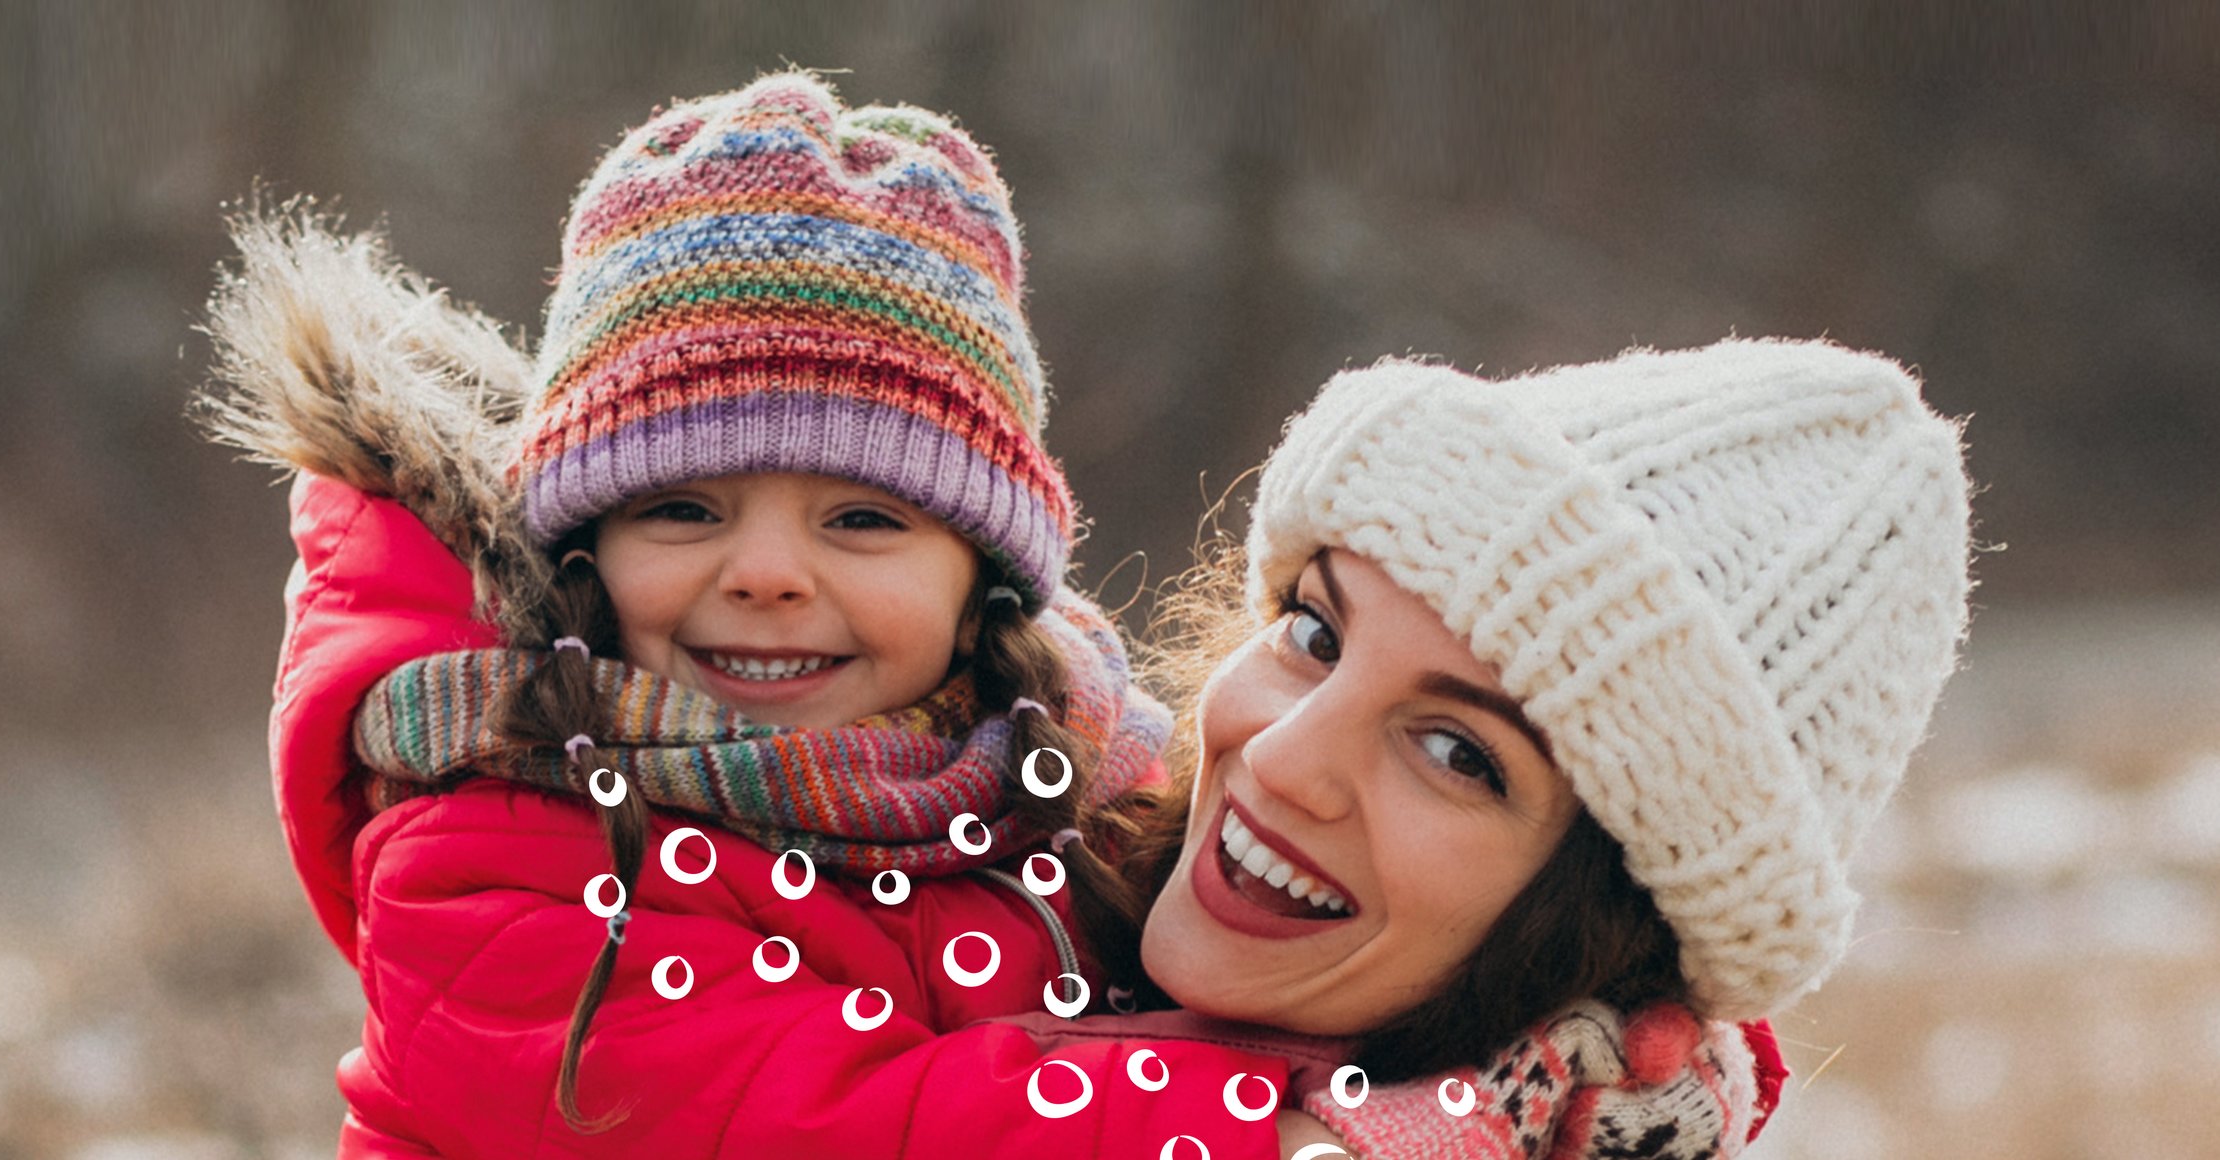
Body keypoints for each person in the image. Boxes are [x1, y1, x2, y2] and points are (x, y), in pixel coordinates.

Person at [201, 71, 1333, 1156]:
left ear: (979, 575)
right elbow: (837, 1122)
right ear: (584, 550)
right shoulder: (496, 850)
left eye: (862, 520)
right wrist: (1277, 1130)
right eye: (686, 509)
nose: (768, 573)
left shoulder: (1066, 773)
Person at [1104, 340, 1973, 1156]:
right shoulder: (1012, 844)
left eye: (1456, 754)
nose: (1279, 759)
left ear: (1608, 933)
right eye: (1317, 635)